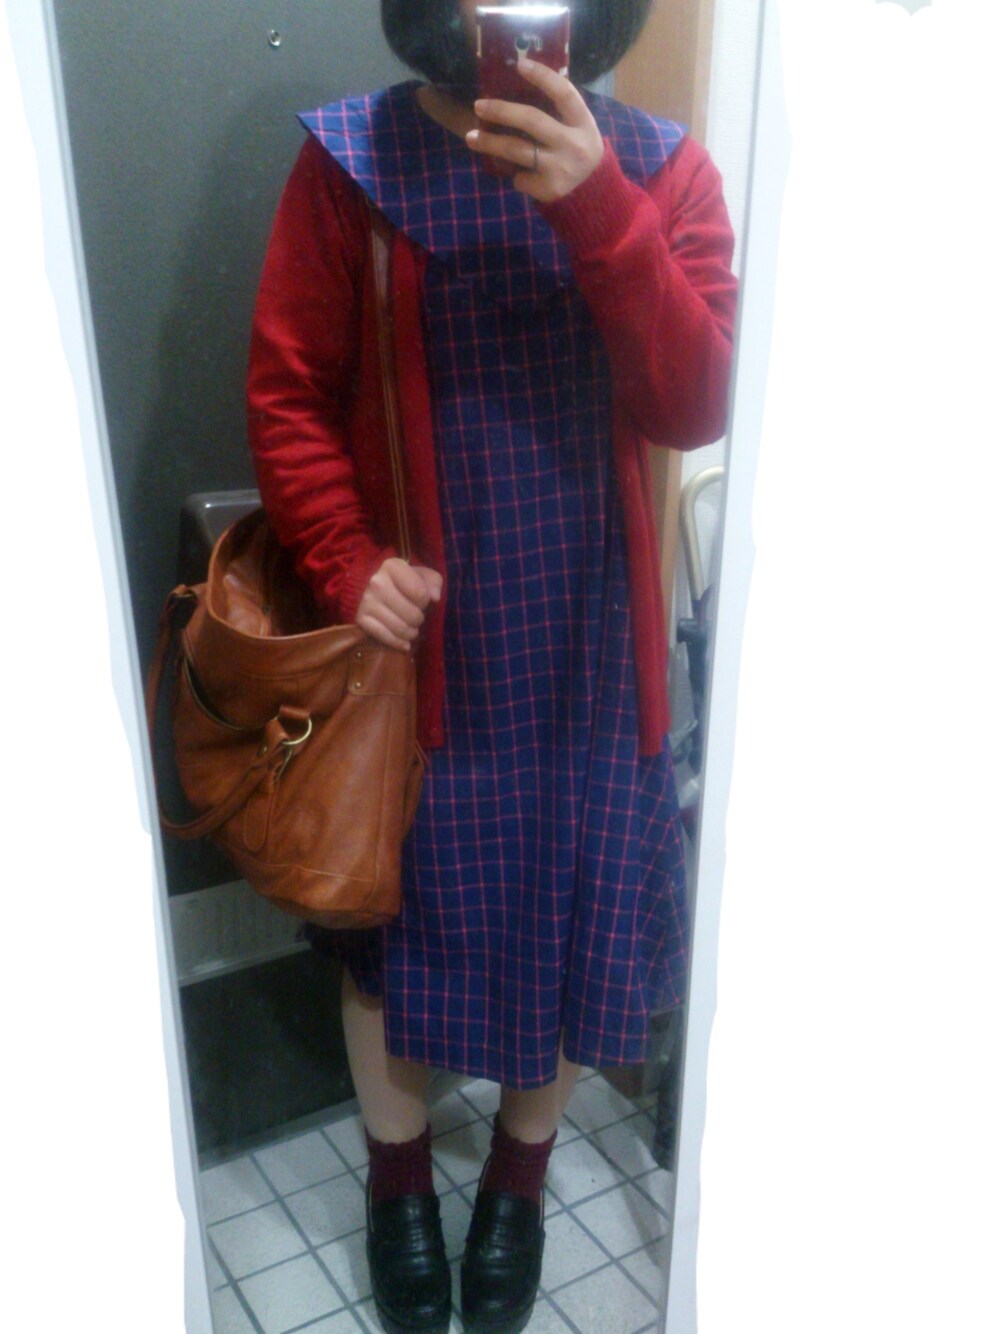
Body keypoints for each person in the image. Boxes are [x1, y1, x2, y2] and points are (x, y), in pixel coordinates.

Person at [246, 2, 737, 1330]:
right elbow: (289, 391)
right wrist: (345, 559)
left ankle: (518, 1184)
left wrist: (597, 205)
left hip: (591, 643)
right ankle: (398, 1181)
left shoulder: (665, 170)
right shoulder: (350, 163)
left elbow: (695, 401)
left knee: (570, 920)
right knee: (389, 933)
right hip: (414, 650)